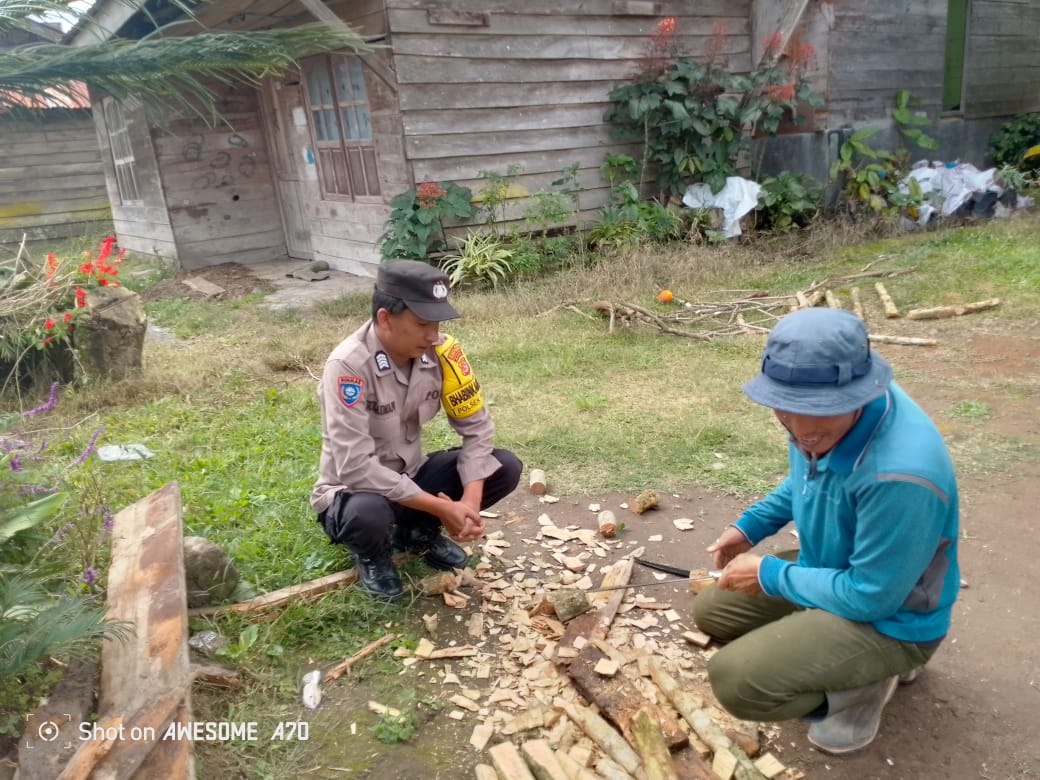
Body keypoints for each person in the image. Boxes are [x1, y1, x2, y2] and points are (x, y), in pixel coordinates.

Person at [692, 307, 960, 755]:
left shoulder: (903, 475)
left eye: (817, 414)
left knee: (736, 682)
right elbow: (809, 474)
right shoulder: (825, 410)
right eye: (788, 410)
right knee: (713, 612)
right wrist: (751, 525)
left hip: (893, 618)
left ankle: (863, 688)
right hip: (836, 570)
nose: (801, 431)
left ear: (858, 394)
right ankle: (831, 649)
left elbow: (871, 597)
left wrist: (771, 575)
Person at [311, 260, 522, 601]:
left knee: (504, 466)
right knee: (368, 513)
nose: (433, 335)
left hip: (410, 476)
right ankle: (373, 555)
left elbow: (477, 428)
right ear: (385, 319)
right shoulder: (348, 366)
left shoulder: (443, 353)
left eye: (437, 323)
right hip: (355, 490)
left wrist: (468, 503)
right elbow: (355, 467)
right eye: (422, 323)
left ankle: (417, 533)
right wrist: (441, 507)